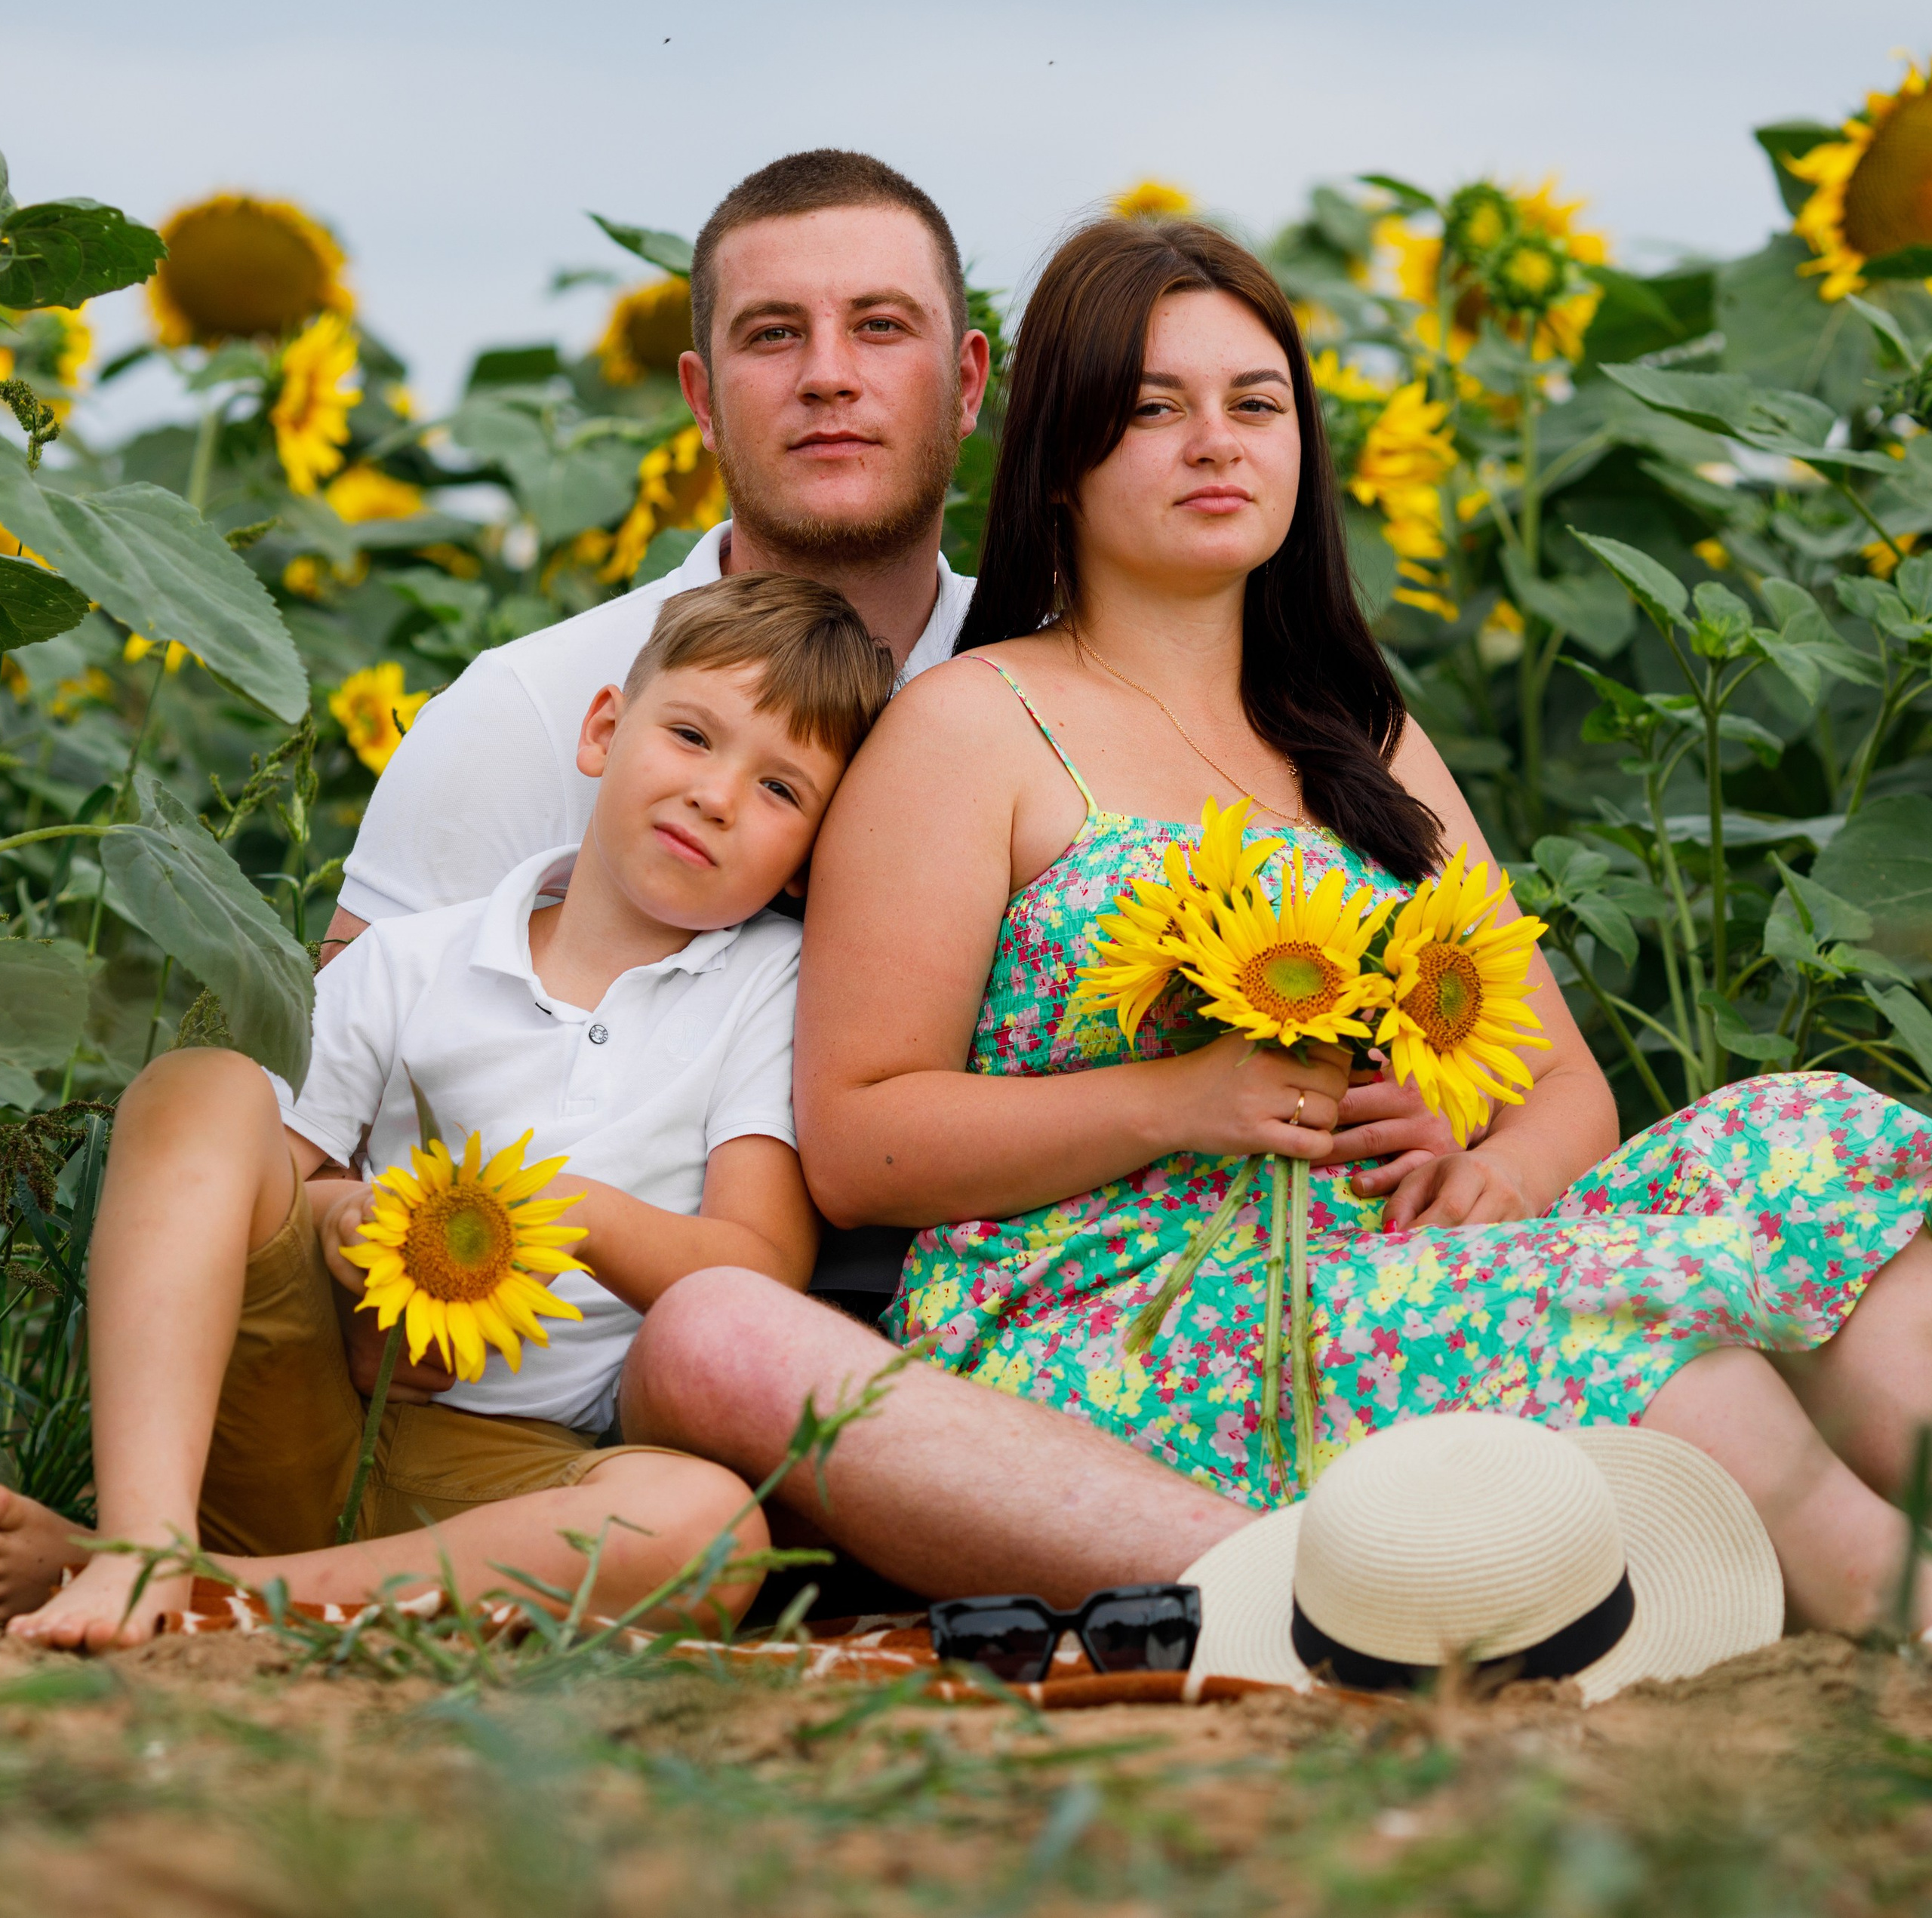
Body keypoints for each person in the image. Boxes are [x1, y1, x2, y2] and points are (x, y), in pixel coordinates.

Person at [637, 216, 1932, 1640]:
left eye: (1256, 405)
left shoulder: (1357, 734)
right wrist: (1182, 1101)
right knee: (1663, 1343)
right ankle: (1894, 1614)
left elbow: (1566, 1088)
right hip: (1126, 1312)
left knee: (1824, 1137)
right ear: (1062, 458)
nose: (1216, 443)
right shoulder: (973, 727)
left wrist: (1489, 1176)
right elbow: (863, 1140)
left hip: (1399, 1255)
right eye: (1153, 409)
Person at [325, 146, 1451, 1370]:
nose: (828, 378)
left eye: (880, 327)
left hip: (1114, 1300)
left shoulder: (1062, 680)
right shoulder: (535, 706)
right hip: (590, 1344)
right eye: (771, 336)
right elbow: (335, 1078)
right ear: (700, 398)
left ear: (970, 383)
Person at [2, 573, 896, 1649]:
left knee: (712, 1530)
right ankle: (148, 1536)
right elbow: (251, 1191)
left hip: (511, 1487)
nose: (717, 796)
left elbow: (754, 1272)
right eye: (694, 736)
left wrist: (551, 1212)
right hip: (302, 1412)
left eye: (781, 791)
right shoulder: (414, 960)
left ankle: (196, 1592)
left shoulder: (772, 988)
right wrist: (351, 1228)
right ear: (605, 729)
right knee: (205, 1085)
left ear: (816, 854)